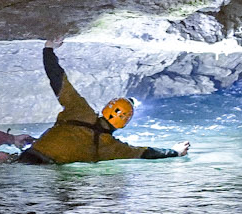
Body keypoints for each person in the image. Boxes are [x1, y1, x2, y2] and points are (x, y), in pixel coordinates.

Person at [19, 45, 189, 163]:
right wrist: (174, 152)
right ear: (125, 122)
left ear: (106, 108)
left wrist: (48, 49)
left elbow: (57, 79)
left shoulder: (80, 111)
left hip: (27, 157)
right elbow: (146, 153)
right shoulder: (110, 148)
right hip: (46, 170)